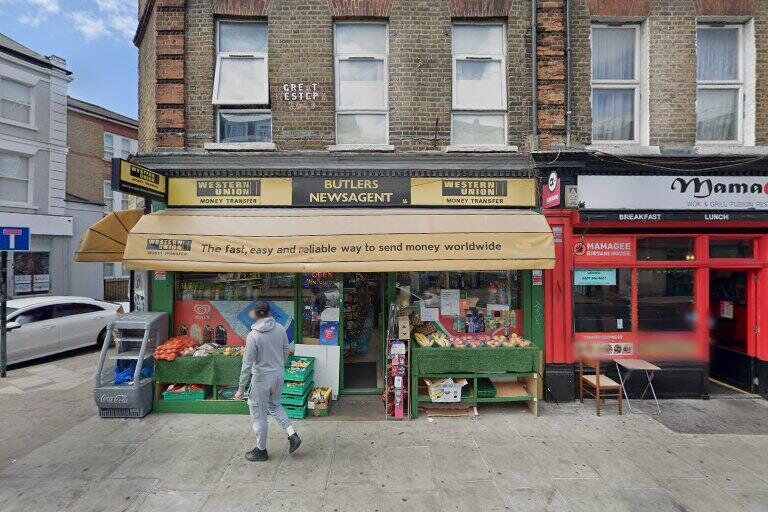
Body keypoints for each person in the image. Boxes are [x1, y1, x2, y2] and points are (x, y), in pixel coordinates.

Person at [234, 301, 301, 461]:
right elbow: (286, 350)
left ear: (256, 315)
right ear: (269, 313)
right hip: (278, 375)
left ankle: (261, 450)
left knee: (259, 415)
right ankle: (293, 434)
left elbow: (247, 365)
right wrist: (279, 364)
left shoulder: (253, 336)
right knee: (275, 405)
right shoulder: (279, 328)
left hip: (261, 379)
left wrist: (241, 388)